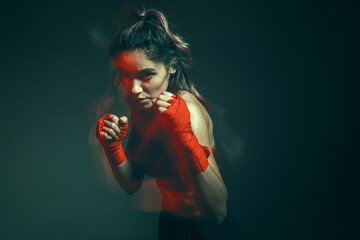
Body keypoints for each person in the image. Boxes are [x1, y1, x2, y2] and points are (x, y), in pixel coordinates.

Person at [95, 5, 228, 240]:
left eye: (146, 75)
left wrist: (186, 140)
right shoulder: (144, 110)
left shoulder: (188, 111)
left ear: (172, 66)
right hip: (168, 227)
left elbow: (217, 210)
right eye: (126, 75)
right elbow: (131, 184)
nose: (134, 90)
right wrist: (112, 148)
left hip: (203, 230)